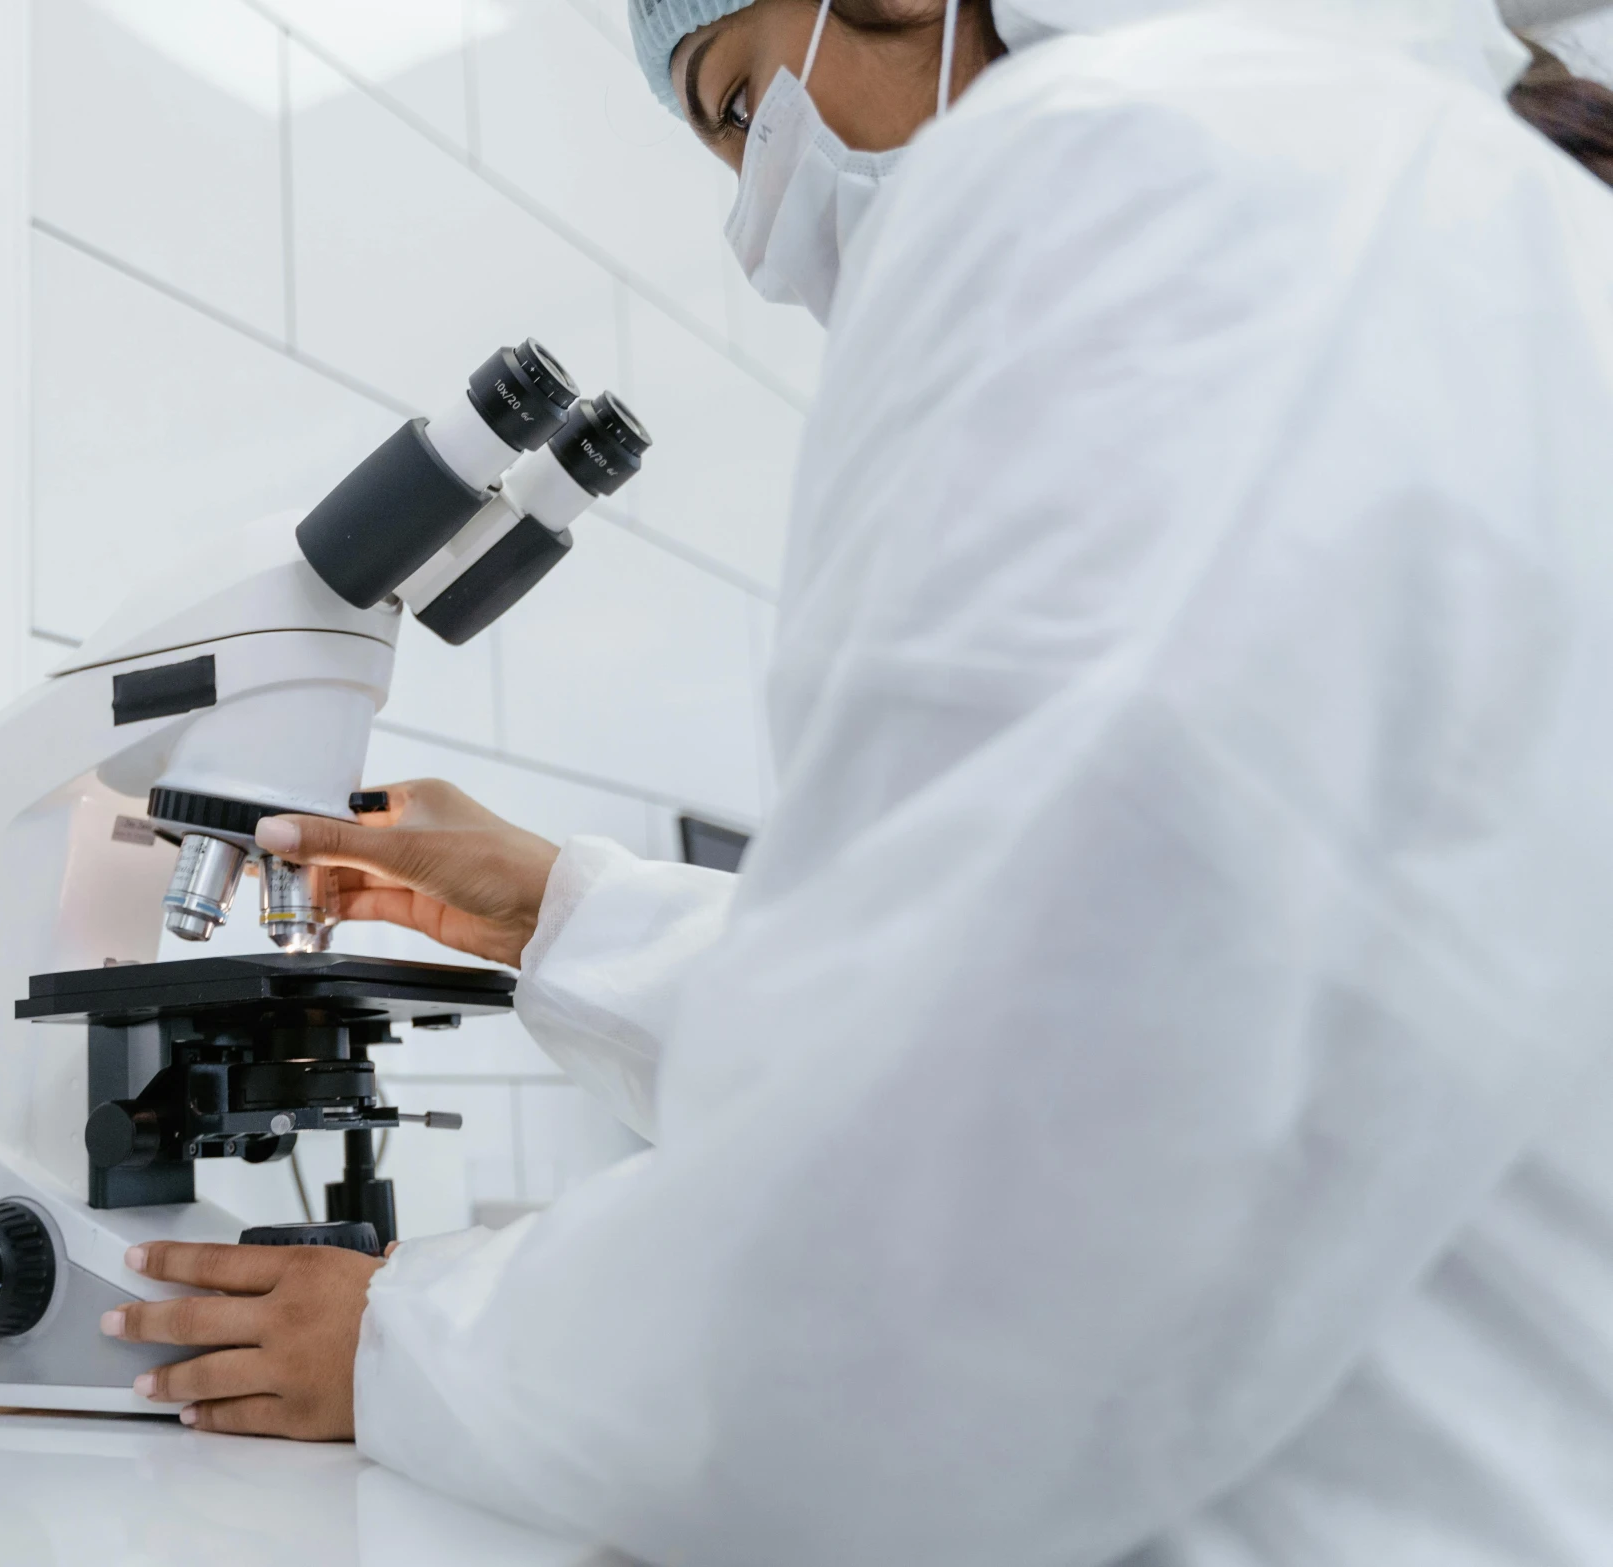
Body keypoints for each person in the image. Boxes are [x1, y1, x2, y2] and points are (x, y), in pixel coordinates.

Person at [100, 0, 1613, 1559]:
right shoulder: (1445, 206)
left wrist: (404, 1342)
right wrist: (563, 909)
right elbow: (1150, 963)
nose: (756, 233)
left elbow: (939, 1249)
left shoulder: (1125, 166)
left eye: (745, 105)